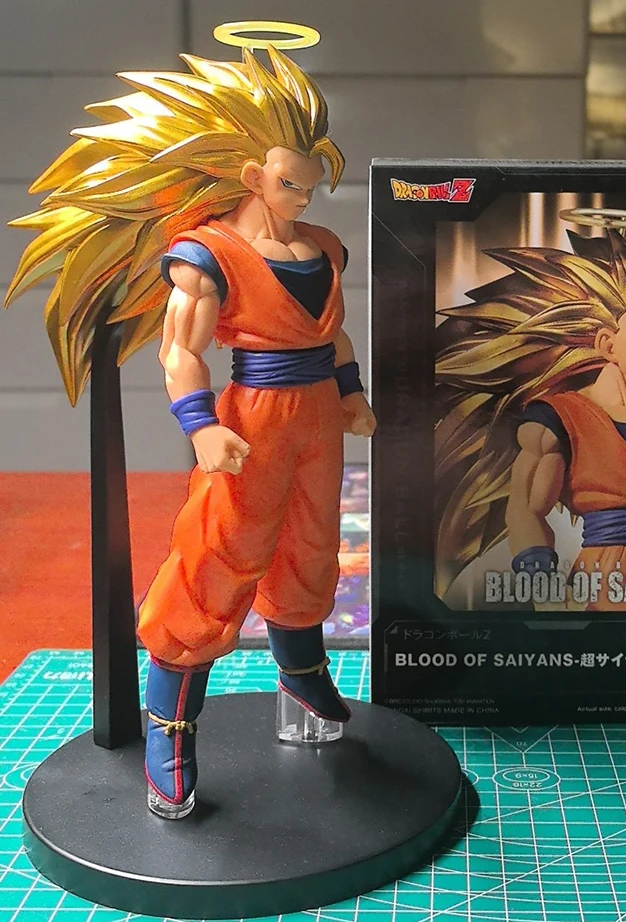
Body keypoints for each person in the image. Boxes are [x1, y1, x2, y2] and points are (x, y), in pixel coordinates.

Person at [4, 46, 375, 819]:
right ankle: (170, 725)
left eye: (311, 180)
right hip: (253, 420)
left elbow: (334, 336)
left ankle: (302, 671)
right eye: (289, 181)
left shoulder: (323, 247)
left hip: (317, 419)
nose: (304, 194)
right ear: (252, 176)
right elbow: (180, 352)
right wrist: (200, 425)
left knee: (311, 547)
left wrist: (351, 394)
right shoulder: (209, 256)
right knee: (218, 557)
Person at [434, 211, 626, 612]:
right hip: (605, 586)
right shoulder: (560, 420)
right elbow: (525, 511)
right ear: (606, 344)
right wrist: (541, 582)